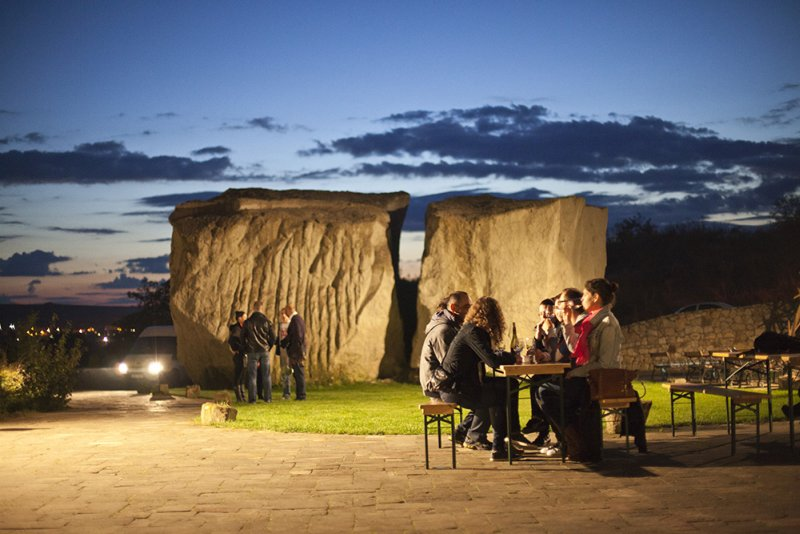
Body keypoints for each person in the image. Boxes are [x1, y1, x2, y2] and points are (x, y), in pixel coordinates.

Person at [538, 279, 623, 462]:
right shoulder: (592, 321)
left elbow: (605, 364)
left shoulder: (607, 323)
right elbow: (576, 349)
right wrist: (568, 324)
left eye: (585, 295)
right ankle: (572, 441)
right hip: (586, 377)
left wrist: (574, 373)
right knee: (545, 389)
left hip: (597, 381)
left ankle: (573, 442)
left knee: (545, 391)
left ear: (596, 297)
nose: (581, 298)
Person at [439, 296, 525, 461]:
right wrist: (512, 358)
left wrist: (508, 356)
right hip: (455, 389)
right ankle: (499, 448)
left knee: (510, 383)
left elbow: (489, 355)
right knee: (501, 394)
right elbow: (491, 361)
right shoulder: (472, 332)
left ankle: (509, 437)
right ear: (491, 316)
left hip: (461, 385)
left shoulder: (471, 330)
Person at [419, 291, 491, 450]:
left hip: (444, 380)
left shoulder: (451, 325)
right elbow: (451, 364)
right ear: (454, 307)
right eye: (467, 306)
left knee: (489, 389)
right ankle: (471, 436)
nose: (471, 310)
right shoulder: (443, 330)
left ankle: (463, 433)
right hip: (438, 385)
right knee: (490, 395)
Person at [522, 298, 562, 446]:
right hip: (547, 370)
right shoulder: (539, 327)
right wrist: (537, 337)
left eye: (547, 313)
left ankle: (541, 426)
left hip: (560, 371)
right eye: (540, 314)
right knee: (535, 380)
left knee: (539, 384)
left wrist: (544, 353)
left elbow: (555, 353)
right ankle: (541, 427)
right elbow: (536, 351)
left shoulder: (560, 328)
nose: (544, 317)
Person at [242, 301, 276, 403]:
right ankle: (268, 398)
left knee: (252, 376)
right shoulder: (267, 321)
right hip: (264, 351)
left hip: (252, 351)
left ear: (253, 308)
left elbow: (242, 337)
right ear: (262, 308)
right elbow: (273, 338)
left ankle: (252, 399)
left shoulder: (248, 322)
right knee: (266, 375)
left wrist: (246, 348)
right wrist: (268, 347)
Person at [280, 305, 307, 400]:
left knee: (299, 373)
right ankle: (300, 394)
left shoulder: (295, 320)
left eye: (286, 311)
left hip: (297, 352)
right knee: (297, 373)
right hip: (297, 351)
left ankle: (301, 395)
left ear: (289, 310)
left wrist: (297, 351)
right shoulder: (298, 319)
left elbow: (296, 336)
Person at [227, 310, 247, 402]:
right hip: (239, 355)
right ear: (240, 319)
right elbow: (232, 341)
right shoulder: (236, 330)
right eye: (244, 317)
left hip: (243, 354)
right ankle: (239, 397)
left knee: (242, 376)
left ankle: (242, 396)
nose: (246, 319)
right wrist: (238, 349)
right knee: (238, 376)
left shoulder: (243, 328)